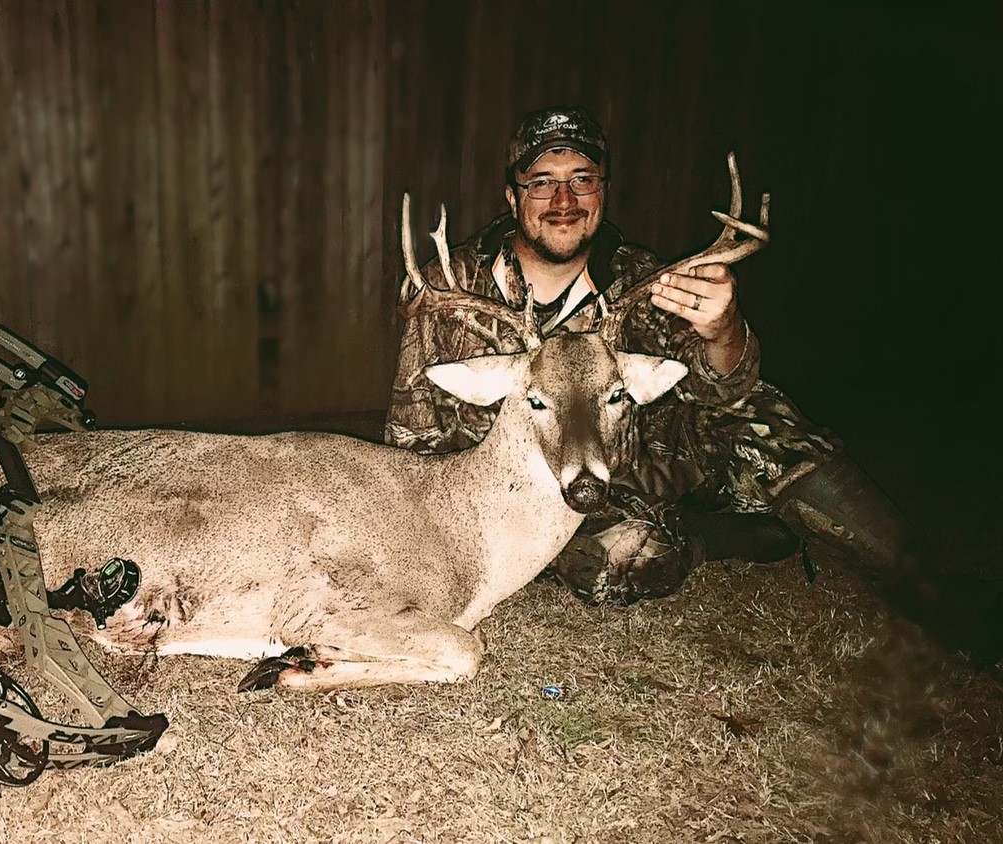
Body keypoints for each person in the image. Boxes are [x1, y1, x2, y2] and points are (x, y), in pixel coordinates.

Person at [385, 106, 996, 655]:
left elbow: (719, 394)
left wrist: (725, 331)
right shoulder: (451, 291)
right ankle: (707, 537)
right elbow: (410, 436)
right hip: (526, 492)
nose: (563, 198)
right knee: (618, 565)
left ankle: (934, 587)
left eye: (583, 180)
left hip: (655, 461)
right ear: (513, 197)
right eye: (541, 181)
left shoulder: (651, 283)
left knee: (768, 420)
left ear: (603, 193)